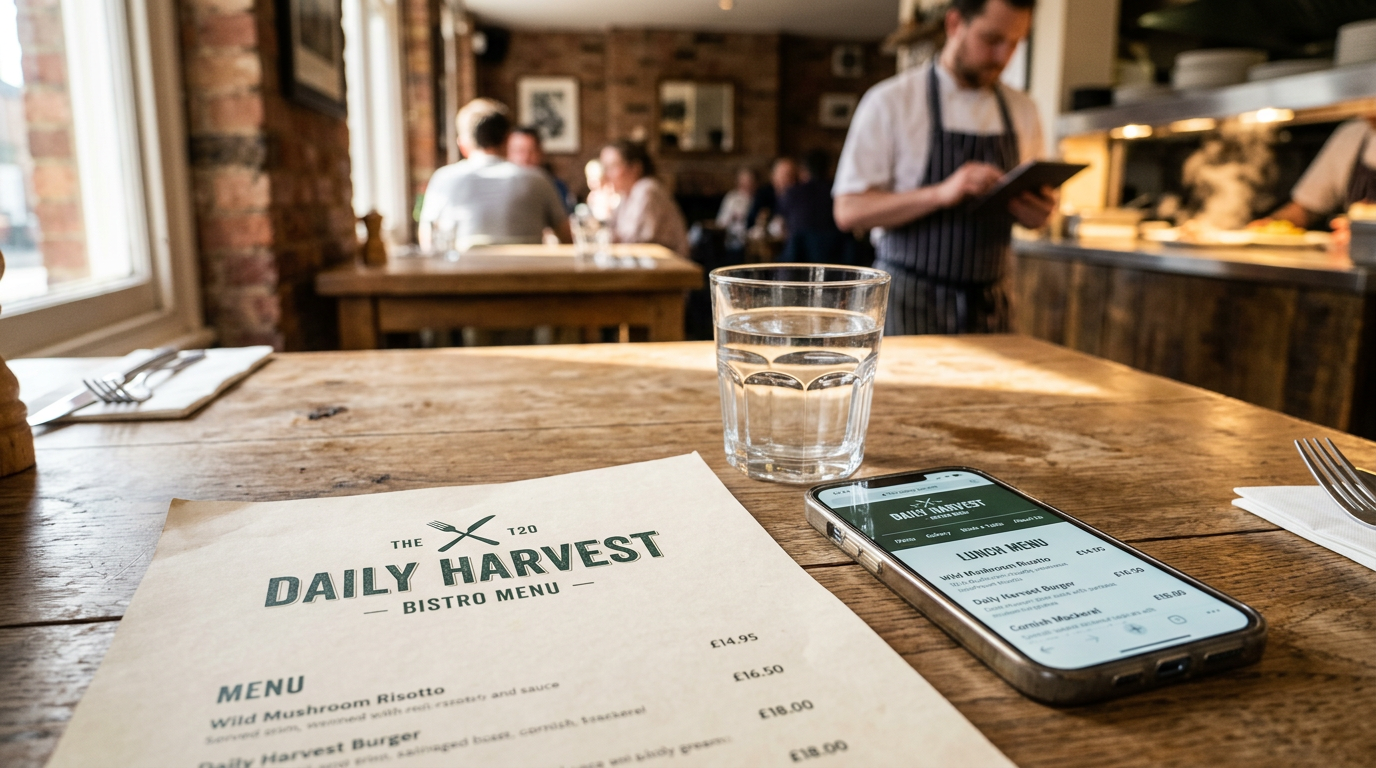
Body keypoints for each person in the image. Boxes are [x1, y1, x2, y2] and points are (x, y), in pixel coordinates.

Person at [833, 0, 1054, 335]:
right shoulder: (892, 101)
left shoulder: (1023, 110)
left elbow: (1038, 216)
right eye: (991, 39)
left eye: (1013, 44)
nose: (1001, 56)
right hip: (908, 302)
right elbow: (848, 211)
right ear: (955, 25)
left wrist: (1038, 215)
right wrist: (941, 193)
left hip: (992, 307)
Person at [418, 99, 571, 248]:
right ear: (507, 140)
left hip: (465, 272)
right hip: (525, 272)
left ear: (462, 145)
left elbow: (428, 241)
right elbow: (567, 239)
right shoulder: (538, 179)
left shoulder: (443, 179)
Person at [1260, 116, 1376, 251]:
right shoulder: (1352, 134)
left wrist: (1365, 232)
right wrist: (1269, 226)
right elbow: (1307, 207)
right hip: (1356, 261)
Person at [600, 140, 690, 257]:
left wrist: (601, 235)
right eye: (605, 168)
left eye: (612, 166)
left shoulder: (647, 189)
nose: (606, 175)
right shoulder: (626, 195)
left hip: (671, 266)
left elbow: (636, 240)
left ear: (635, 168)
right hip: (648, 263)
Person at [778, 150, 848, 263]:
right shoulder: (838, 194)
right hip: (836, 260)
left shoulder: (792, 194)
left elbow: (782, 223)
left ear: (803, 170)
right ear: (830, 170)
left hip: (797, 261)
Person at [509, 125, 575, 213]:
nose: (525, 158)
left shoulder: (556, 187)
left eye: (531, 151)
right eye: (519, 151)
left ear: (540, 153)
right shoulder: (498, 189)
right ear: (508, 154)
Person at [748, 157, 798, 239]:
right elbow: (751, 222)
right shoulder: (763, 194)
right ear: (773, 176)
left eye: (791, 175)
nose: (788, 179)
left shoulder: (800, 196)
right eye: (784, 175)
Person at [716, 167, 758, 249]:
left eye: (749, 181)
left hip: (753, 241)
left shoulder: (759, 199)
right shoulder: (731, 198)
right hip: (732, 240)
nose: (747, 184)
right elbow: (720, 222)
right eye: (743, 181)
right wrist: (732, 218)